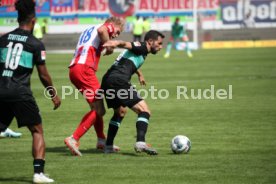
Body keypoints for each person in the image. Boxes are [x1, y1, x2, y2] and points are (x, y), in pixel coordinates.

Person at [0, 0, 61, 183]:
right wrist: (53, 94)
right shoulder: (35, 44)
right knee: (37, 130)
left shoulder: (3, 39)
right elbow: (43, 75)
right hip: (20, 93)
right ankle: (38, 174)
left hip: (1, 90)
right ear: (33, 21)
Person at [64, 17, 125, 156]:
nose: (115, 35)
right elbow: (102, 30)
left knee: (95, 107)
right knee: (99, 110)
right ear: (113, 24)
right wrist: (109, 44)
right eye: (117, 31)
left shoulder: (88, 29)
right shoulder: (105, 27)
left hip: (75, 69)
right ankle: (74, 138)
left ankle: (101, 140)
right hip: (85, 69)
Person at [101, 30, 165, 155]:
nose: (161, 47)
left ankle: (108, 146)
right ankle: (140, 142)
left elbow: (129, 59)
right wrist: (115, 43)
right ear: (150, 41)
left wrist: (139, 74)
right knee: (144, 111)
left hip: (108, 80)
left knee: (120, 112)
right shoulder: (141, 46)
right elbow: (125, 44)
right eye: (159, 43)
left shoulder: (142, 51)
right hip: (119, 81)